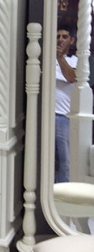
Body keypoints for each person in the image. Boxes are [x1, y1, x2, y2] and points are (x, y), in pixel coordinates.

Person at [55, 22, 77, 182]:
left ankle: (62, 191)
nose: (60, 40)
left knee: (65, 160)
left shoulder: (76, 60)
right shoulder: (46, 58)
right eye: (57, 36)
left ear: (72, 40)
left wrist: (60, 58)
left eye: (65, 36)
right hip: (45, 113)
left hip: (64, 117)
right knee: (46, 157)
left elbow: (71, 77)